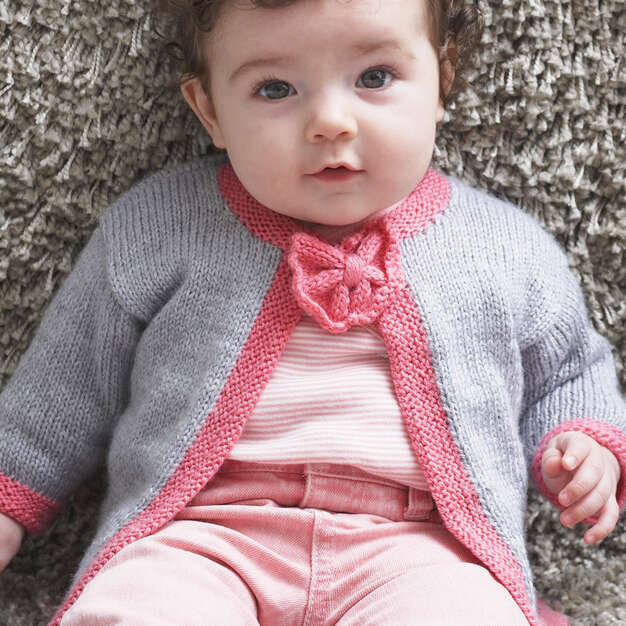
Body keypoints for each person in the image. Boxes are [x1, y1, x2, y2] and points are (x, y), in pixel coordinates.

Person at [0, 0, 624, 624]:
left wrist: (582, 442)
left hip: (420, 548)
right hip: (200, 535)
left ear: (442, 80)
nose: (330, 122)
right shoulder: (158, 227)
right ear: (209, 110)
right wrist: (9, 498)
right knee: (144, 610)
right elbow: (64, 383)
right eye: (276, 89)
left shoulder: (504, 246)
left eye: (374, 77)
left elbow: (569, 370)